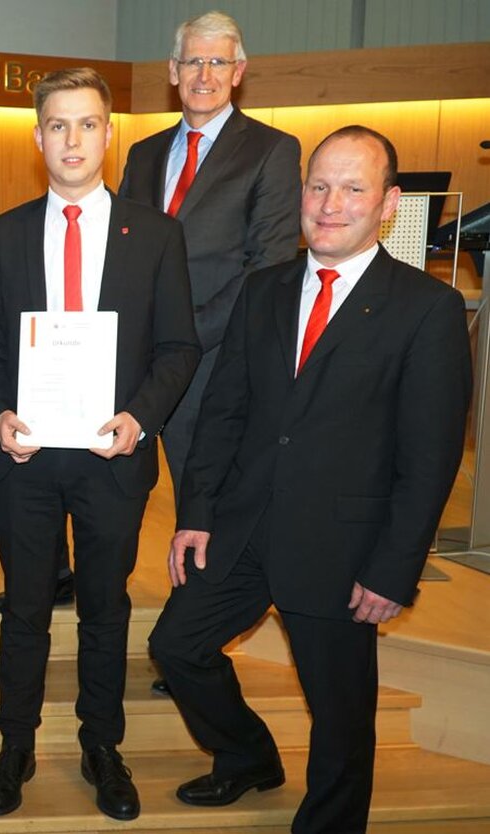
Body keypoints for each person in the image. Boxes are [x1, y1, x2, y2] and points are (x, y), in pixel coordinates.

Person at [149, 126, 472, 834]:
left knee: (340, 714)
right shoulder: (263, 290)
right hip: (242, 527)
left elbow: (430, 458)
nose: (330, 204)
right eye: (319, 186)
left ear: (388, 203)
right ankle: (247, 758)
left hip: (343, 547)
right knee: (176, 646)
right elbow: (224, 410)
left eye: (353, 188)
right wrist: (196, 510)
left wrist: (394, 568)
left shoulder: (427, 309)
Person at [0, 68, 199, 823]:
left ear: (109, 134)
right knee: (26, 610)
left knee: (105, 608)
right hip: (27, 460)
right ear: (38, 137)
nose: (72, 139)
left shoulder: (158, 235)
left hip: (114, 458)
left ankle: (103, 745)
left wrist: (139, 417)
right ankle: (16, 746)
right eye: (58, 125)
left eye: (87, 124)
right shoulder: (0, 235)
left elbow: (178, 347)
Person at [119, 8, 303, 699]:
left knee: (210, 502)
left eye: (216, 62)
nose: (203, 74)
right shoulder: (141, 154)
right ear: (172, 73)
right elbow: (126, 256)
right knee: (124, 491)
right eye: (191, 62)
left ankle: (191, 641)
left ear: (239, 72)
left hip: (217, 363)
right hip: (140, 364)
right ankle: (98, 600)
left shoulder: (272, 150)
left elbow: (270, 267)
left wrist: (185, 340)